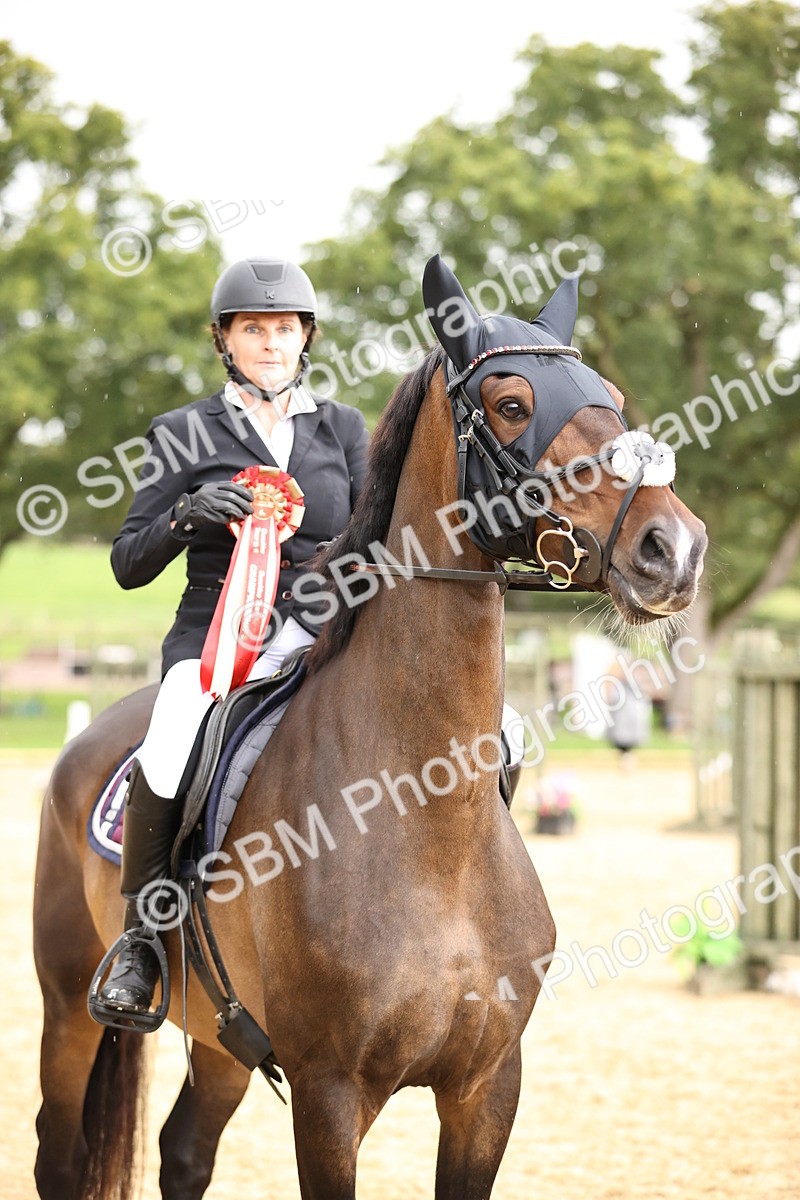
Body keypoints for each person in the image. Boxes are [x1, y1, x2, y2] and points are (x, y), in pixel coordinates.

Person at [97, 257, 370, 1015]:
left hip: (318, 634)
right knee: (176, 731)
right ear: (225, 339)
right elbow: (127, 562)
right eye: (255, 329)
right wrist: (188, 515)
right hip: (214, 642)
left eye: (285, 329)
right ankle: (142, 941)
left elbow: (371, 543)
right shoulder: (184, 432)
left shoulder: (343, 428)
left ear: (305, 337)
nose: (271, 343)